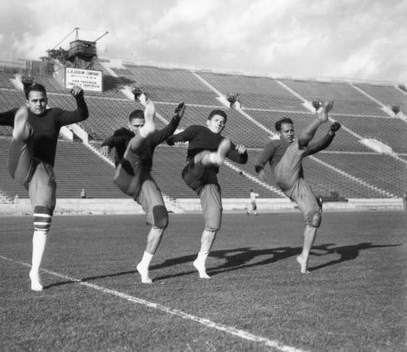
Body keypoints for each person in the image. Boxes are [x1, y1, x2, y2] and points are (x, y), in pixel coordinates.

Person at [0, 81, 88, 291]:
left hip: (42, 171)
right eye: (34, 101)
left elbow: (81, 115)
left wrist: (79, 97)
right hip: (21, 162)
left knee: (43, 220)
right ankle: (21, 133)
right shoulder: (18, 111)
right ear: (27, 101)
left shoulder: (55, 115)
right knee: (25, 137)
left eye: (42, 100)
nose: (39, 104)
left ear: (47, 100)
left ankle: (35, 272)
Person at [100, 101, 185, 284]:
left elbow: (168, 131)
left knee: (161, 220)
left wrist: (176, 118)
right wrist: (106, 144)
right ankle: (149, 127)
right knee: (133, 146)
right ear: (131, 125)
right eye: (137, 126)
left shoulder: (153, 139)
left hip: (144, 179)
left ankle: (144, 265)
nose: (137, 128)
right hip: (126, 174)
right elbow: (113, 139)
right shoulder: (124, 133)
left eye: (142, 126)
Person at [254, 101, 340, 273]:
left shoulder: (299, 146)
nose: (290, 133)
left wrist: (330, 133)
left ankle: (303, 258)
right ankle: (319, 119)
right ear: (278, 133)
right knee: (299, 145)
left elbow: (319, 145)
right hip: (282, 172)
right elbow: (260, 160)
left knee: (315, 217)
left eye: (292, 130)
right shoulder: (274, 144)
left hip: (296, 182)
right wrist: (260, 169)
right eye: (286, 131)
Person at [166, 109, 248, 279]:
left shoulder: (225, 141)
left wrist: (243, 151)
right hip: (192, 170)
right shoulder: (198, 130)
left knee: (214, 222)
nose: (220, 123)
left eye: (223, 121)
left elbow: (242, 160)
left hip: (208, 182)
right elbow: (177, 138)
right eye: (217, 120)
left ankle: (200, 261)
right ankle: (213, 157)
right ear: (208, 121)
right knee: (202, 156)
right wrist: (171, 138)